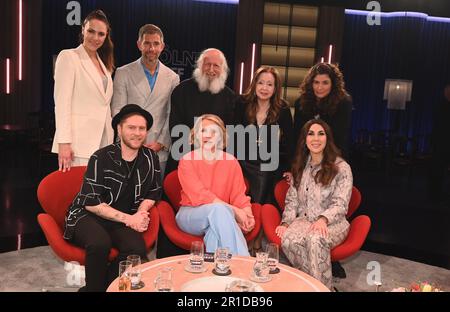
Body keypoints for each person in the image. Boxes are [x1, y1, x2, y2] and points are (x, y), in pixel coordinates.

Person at [63, 104, 162, 292]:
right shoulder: (101, 157)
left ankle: (104, 287)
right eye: (131, 127)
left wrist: (141, 212)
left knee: (136, 248)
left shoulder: (150, 157)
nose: (137, 133)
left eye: (142, 128)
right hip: (87, 214)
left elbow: (154, 192)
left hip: (120, 217)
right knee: (100, 243)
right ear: (119, 129)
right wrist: (130, 219)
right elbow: (91, 202)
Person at [275, 119, 353, 290]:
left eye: (321, 134)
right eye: (310, 134)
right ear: (305, 139)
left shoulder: (342, 167)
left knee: (316, 239)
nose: (315, 138)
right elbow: (292, 199)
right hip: (305, 220)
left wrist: (323, 219)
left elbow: (341, 203)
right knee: (288, 239)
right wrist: (286, 222)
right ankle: (317, 286)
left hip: (334, 222)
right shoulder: (300, 165)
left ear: (327, 138)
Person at [175, 114, 255, 255]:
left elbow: (238, 195)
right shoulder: (186, 160)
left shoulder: (231, 161)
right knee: (218, 210)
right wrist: (236, 211)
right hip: (190, 215)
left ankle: (216, 270)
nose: (208, 135)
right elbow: (200, 194)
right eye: (203, 130)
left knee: (214, 232)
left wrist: (247, 214)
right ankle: (244, 262)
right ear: (196, 135)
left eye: (214, 132)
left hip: (221, 216)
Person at [111, 24, 179, 178]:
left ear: (162, 46)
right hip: (128, 146)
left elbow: (171, 113)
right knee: (124, 196)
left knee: (153, 197)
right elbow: (117, 110)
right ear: (139, 44)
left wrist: (161, 143)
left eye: (156, 44)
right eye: (147, 43)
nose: (151, 48)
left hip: (157, 149)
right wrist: (130, 140)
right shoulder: (123, 73)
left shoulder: (173, 78)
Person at [52, 10, 115, 172]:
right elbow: (62, 103)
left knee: (97, 191)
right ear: (83, 30)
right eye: (91, 31)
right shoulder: (69, 57)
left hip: (104, 139)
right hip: (78, 143)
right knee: (78, 191)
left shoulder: (104, 64)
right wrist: (64, 143)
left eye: (101, 34)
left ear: (106, 36)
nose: (95, 38)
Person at [167, 48, 236, 173]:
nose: (211, 69)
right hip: (184, 158)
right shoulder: (181, 91)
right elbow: (176, 129)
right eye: (207, 64)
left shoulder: (231, 97)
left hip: (216, 162)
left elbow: (229, 134)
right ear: (199, 66)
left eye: (216, 65)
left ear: (223, 69)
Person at [235, 65, 294, 204]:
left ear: (275, 88)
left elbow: (290, 141)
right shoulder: (241, 103)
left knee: (265, 189)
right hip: (243, 162)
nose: (264, 88)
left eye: (269, 84)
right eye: (260, 83)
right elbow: (233, 135)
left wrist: (290, 169)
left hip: (269, 164)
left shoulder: (283, 108)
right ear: (254, 84)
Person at [293, 63, 352, 160]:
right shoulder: (300, 103)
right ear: (310, 83)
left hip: (333, 156)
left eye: (325, 83)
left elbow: (340, 138)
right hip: (306, 156)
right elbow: (298, 137)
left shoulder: (343, 103)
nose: (320, 87)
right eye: (316, 82)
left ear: (333, 84)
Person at [429, 83, 450, 203]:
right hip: (440, 143)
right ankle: (435, 194)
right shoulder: (440, 107)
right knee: (437, 170)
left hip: (445, 142)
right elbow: (437, 126)